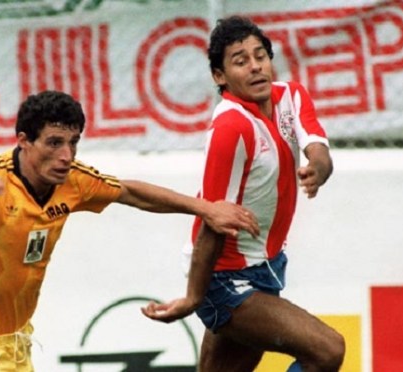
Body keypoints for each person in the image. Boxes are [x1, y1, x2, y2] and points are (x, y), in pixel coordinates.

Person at [0, 90, 259, 371]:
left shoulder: (74, 181)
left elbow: (131, 193)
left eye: (73, 143)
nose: (66, 156)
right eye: (54, 143)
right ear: (24, 141)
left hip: (16, 342)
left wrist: (205, 208)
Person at [142, 15, 345, 372]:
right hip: (224, 278)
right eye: (240, 61)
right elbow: (214, 220)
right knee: (328, 350)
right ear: (219, 77)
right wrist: (193, 297)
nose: (255, 67)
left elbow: (318, 146)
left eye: (260, 56)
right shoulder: (231, 128)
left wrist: (319, 169)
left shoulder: (290, 97)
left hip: (264, 268)